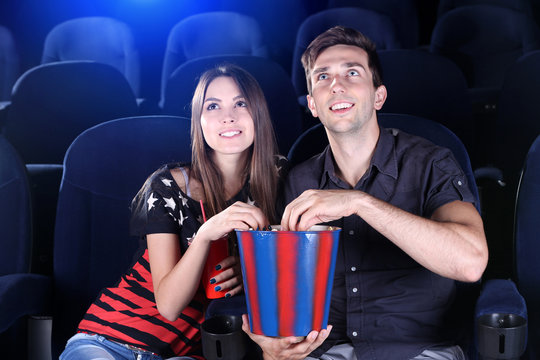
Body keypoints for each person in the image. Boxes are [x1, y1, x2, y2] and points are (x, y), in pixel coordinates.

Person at [242, 26, 489, 360]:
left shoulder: (432, 163)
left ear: (378, 96)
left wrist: (359, 202)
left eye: (352, 73)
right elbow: (283, 295)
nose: (336, 85)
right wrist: (272, 347)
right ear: (313, 104)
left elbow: (471, 263)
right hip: (324, 351)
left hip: (417, 350)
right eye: (323, 77)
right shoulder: (297, 182)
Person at [59, 64, 285, 360]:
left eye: (240, 103)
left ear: (259, 112)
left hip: (186, 353)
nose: (228, 116)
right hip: (108, 339)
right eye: (213, 106)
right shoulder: (166, 185)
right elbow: (168, 305)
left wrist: (250, 275)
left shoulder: (281, 180)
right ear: (199, 121)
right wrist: (204, 236)